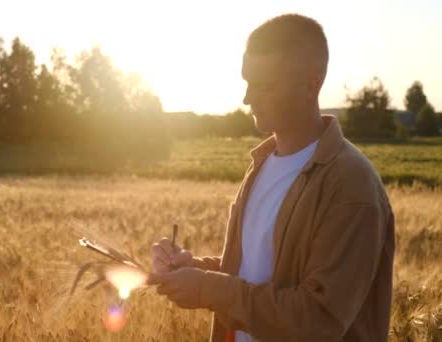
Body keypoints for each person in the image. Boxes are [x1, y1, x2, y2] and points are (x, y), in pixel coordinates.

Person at [149, 14, 395, 342]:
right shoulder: (262, 164)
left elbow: (317, 319)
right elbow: (260, 271)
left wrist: (208, 289)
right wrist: (195, 269)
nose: (248, 98)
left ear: (311, 84)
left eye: (263, 84)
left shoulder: (350, 186)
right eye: (247, 82)